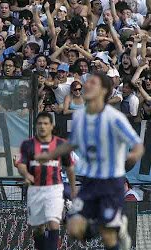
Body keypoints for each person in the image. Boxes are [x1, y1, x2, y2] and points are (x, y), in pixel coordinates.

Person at [35, 72, 144, 250]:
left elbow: (138, 145)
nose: (86, 86)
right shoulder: (80, 117)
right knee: (73, 227)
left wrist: (131, 158)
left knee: (109, 238)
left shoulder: (114, 117)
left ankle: (114, 229)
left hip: (110, 184)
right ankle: (108, 225)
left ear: (103, 90)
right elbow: (72, 144)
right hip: (89, 184)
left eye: (92, 83)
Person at [15, 112, 76, 250]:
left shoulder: (61, 144)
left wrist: (73, 189)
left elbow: (70, 168)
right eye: (40, 123)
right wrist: (26, 174)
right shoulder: (28, 144)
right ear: (36, 126)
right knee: (38, 228)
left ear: (51, 126)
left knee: (53, 223)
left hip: (54, 189)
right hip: (35, 189)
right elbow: (21, 164)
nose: (42, 126)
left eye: (45, 123)